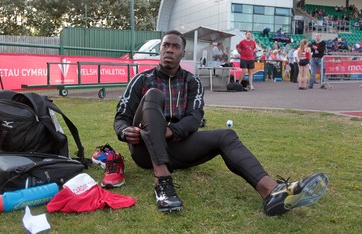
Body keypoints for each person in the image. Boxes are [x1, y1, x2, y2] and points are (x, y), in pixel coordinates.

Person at [113, 30, 328, 215]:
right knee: (153, 95)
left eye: (175, 46)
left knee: (227, 135)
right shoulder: (141, 79)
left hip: (177, 147)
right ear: (159, 50)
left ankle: (272, 192)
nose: (169, 50)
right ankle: (163, 184)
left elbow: (195, 118)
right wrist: (125, 132)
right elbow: (121, 118)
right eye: (165, 45)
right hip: (146, 150)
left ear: (182, 53)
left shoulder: (192, 81)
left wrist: (171, 131)